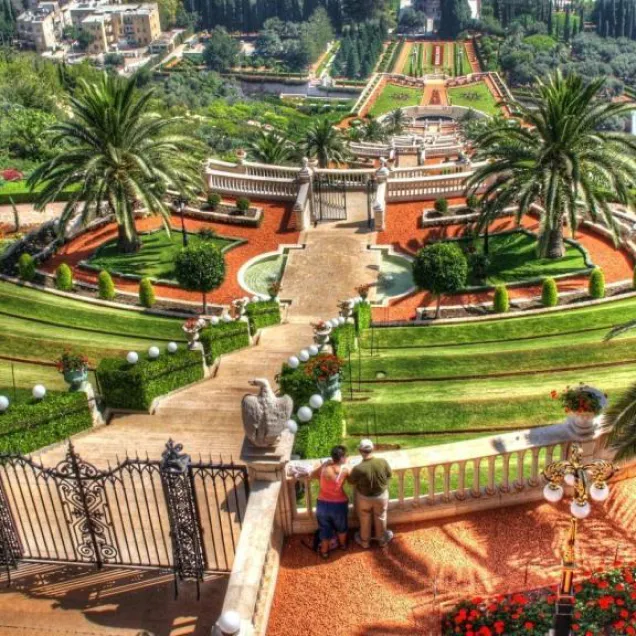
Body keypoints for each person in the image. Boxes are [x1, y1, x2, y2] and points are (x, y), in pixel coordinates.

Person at [348, 439, 393, 549]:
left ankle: (365, 542)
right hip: (381, 496)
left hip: (364, 498)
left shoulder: (358, 468)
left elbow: (351, 481)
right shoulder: (383, 462)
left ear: (360, 451)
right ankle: (382, 541)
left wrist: (350, 469)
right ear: (373, 449)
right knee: (381, 516)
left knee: (364, 518)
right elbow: (389, 475)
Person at [310, 445, 350, 559]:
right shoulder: (345, 470)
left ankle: (324, 552)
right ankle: (343, 546)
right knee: (341, 527)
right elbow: (353, 478)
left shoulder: (324, 468)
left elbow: (312, 474)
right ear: (342, 458)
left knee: (324, 528)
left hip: (322, 504)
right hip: (339, 504)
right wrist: (347, 464)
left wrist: (323, 464)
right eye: (345, 456)